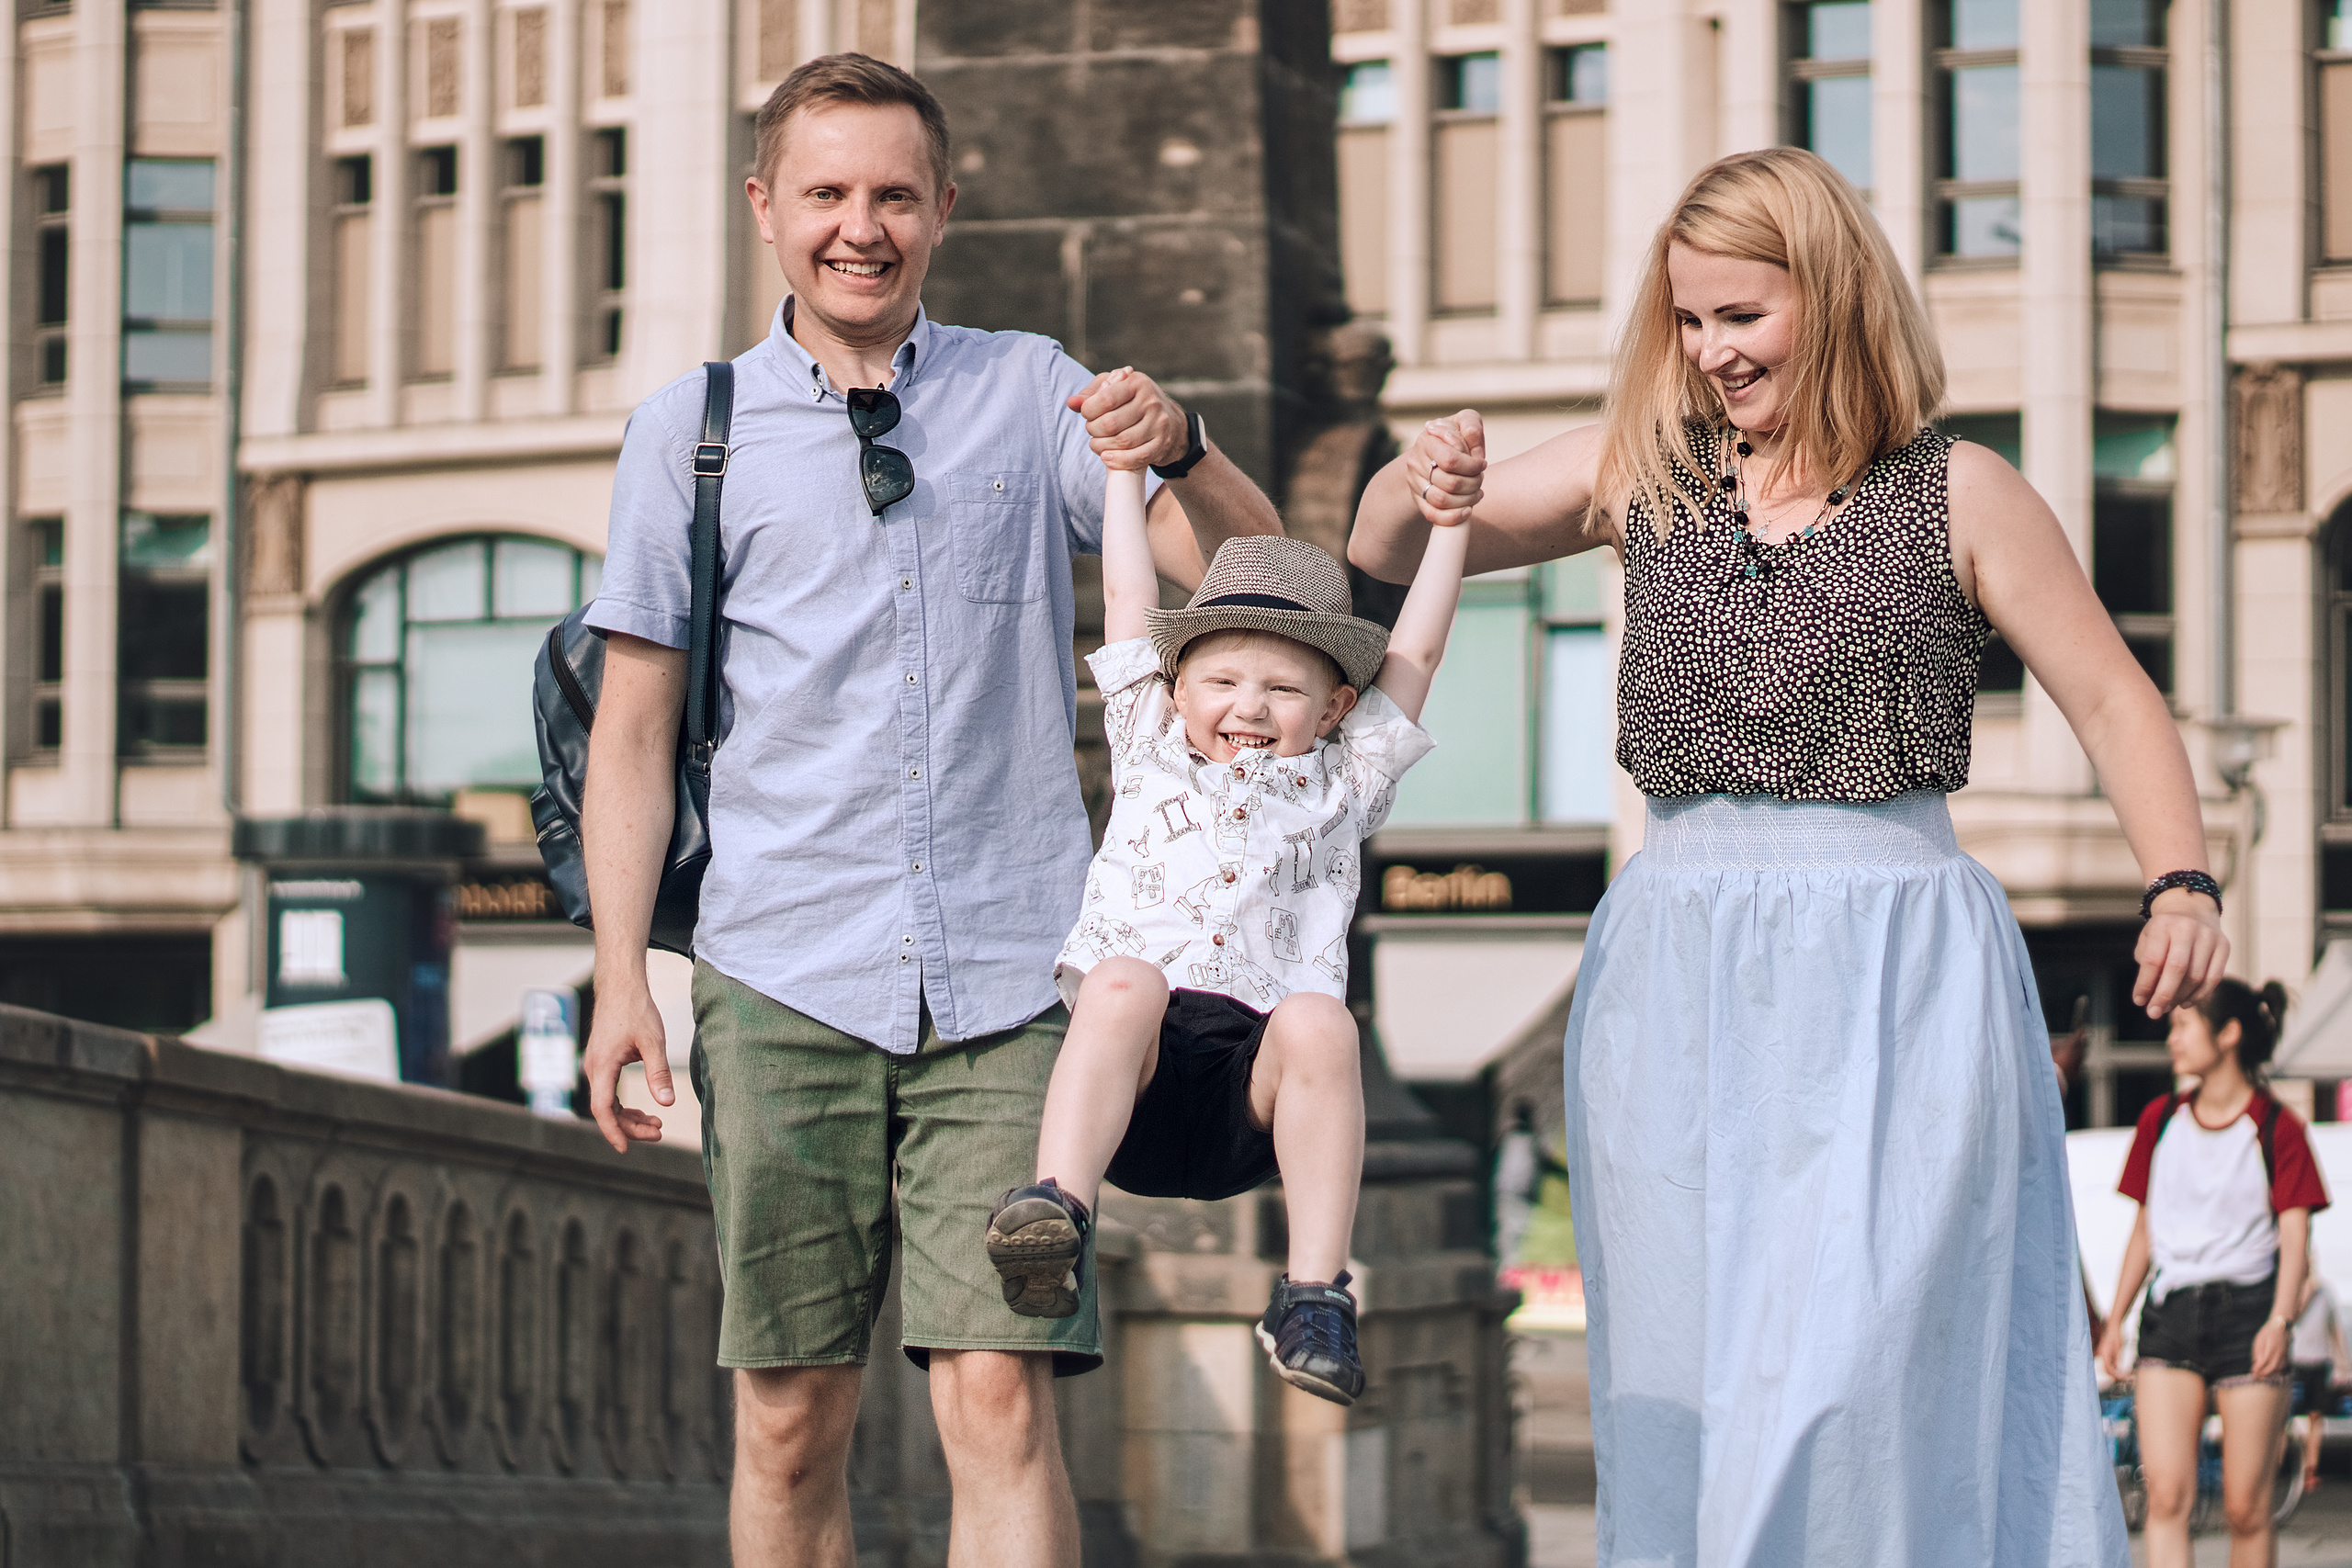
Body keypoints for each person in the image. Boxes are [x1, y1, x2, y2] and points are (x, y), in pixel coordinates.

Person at [1347, 145, 2230, 1565]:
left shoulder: (1960, 486)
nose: (1711, 349)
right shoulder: (1647, 467)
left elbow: (2116, 697)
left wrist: (2181, 879)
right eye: (1690, 319)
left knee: (1860, 1376)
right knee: (1693, 1376)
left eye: (1742, 315)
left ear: (1833, 294)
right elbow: (1393, 547)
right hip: (1678, 953)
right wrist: (1412, 480)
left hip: (1895, 953)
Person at [576, 55, 1282, 1568]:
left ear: (945, 209)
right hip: (781, 969)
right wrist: (622, 976)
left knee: (999, 1394)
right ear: (766, 206)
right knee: (788, 1415)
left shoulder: (1029, 390)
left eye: (894, 195)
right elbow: (631, 729)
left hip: (1016, 978)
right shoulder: (689, 429)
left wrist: (1187, 440)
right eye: (827, 193)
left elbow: (1252, 573)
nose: (862, 226)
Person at [981, 419, 1464, 1405]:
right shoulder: (1149, 745)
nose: (1249, 706)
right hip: (1138, 1083)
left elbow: (1415, 651)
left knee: (1321, 1020)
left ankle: (1314, 1295)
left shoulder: (1343, 783)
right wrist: (1122, 473)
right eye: (1223, 681)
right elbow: (1127, 597)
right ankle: (1057, 1211)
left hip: (1250, 1090)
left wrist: (1452, 524)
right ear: (1177, 687)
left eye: (1284, 689)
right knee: (1121, 982)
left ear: (1333, 710)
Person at [2098, 982, 2328, 1568]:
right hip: (2170, 1317)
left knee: (2246, 1509)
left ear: (2228, 1034)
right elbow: (2144, 1231)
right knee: (2167, 1498)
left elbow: (2296, 1238)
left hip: (2249, 1318)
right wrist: (2115, 1320)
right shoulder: (2160, 1120)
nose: (2171, 1039)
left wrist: (2281, 1320)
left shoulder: (2278, 1127)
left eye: (2183, 1026)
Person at [2290, 1272, 2346, 1494]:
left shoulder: (2325, 1292)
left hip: (2320, 1362)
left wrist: (2343, 1361)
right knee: (2285, 1416)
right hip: (2295, 1361)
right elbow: (2292, 1318)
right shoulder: (2291, 1290)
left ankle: (2310, 1469)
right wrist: (2306, 1294)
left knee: (2316, 1416)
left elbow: (2335, 1328)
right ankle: (2279, 1465)